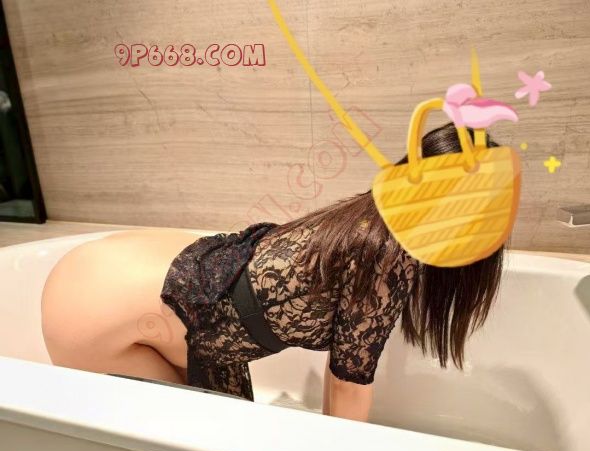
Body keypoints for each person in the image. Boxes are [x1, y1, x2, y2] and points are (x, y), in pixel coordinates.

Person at [41, 121, 505, 423]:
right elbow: (348, 388)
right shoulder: (386, 256)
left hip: (129, 277)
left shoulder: (366, 218)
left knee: (231, 445)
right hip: (99, 313)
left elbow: (342, 381)